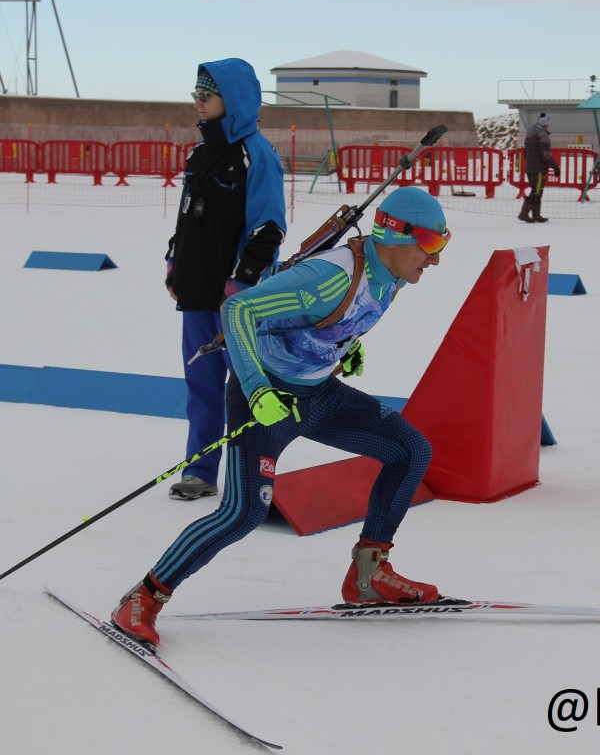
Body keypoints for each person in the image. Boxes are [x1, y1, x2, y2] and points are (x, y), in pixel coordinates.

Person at [112, 186, 452, 651]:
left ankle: (370, 575)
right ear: (394, 234)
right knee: (244, 512)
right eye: (431, 244)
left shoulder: (391, 274)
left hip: (317, 393)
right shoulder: (328, 276)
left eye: (442, 245)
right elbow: (239, 309)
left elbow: (327, 320)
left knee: (409, 450)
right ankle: (144, 597)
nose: (434, 259)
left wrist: (344, 346)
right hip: (268, 398)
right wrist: (257, 390)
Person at [166, 58, 286, 500]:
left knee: (246, 386)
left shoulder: (257, 154)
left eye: (205, 96)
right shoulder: (200, 152)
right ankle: (201, 469)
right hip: (197, 291)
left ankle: (252, 470)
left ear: (231, 100)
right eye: (194, 95)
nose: (197, 104)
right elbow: (188, 219)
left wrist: (242, 283)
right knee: (201, 385)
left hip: (238, 298)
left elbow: (268, 228)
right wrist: (174, 261)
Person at [518, 113, 561, 223]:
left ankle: (536, 215)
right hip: (539, 168)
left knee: (536, 191)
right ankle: (524, 213)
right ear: (546, 125)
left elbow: (526, 152)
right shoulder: (543, 135)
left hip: (530, 167)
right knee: (537, 192)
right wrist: (555, 167)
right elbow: (545, 153)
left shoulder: (529, 135)